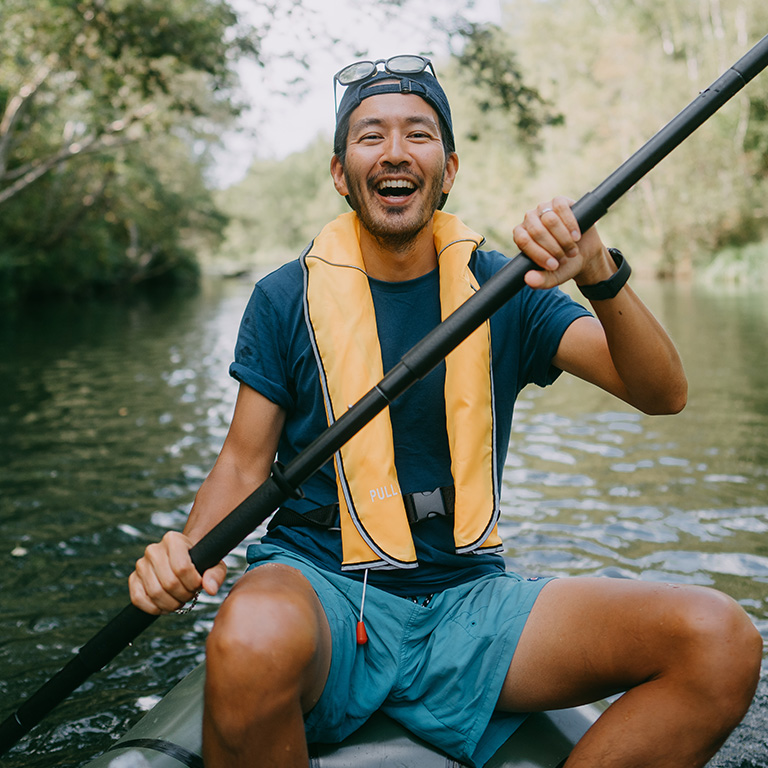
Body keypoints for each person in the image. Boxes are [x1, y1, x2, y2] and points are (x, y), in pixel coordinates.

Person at [129, 55, 762, 768]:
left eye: (418, 135)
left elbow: (662, 392)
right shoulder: (283, 298)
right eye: (370, 136)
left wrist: (596, 268)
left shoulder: (504, 288)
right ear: (341, 174)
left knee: (719, 640)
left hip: (469, 603)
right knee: (249, 634)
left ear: (449, 169)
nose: (395, 151)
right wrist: (188, 557)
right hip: (324, 588)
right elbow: (244, 463)